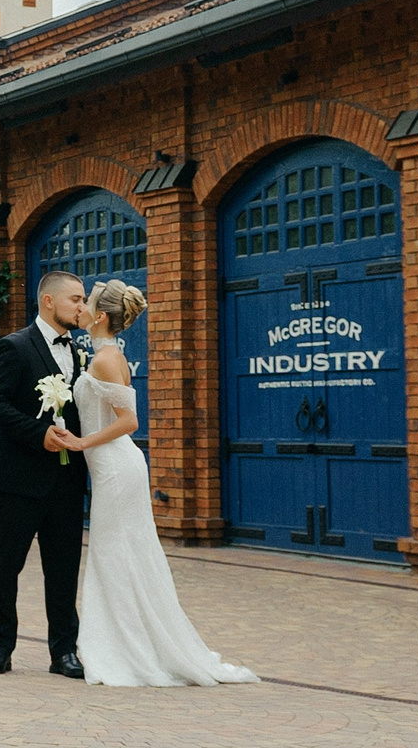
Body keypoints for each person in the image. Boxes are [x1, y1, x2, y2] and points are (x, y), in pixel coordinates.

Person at [68, 280, 259, 687]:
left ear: (100, 317)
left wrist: (82, 441)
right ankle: (128, 641)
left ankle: (128, 650)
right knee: (120, 555)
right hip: (111, 469)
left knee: (115, 555)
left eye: (86, 303)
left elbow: (129, 422)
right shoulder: (107, 354)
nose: (80, 307)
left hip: (117, 469)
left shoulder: (104, 360)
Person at [0, 269, 92, 678]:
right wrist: (38, 432)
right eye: (76, 299)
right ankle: (0, 648)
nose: (82, 307)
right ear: (48, 301)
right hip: (19, 479)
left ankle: (64, 652)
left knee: (62, 571)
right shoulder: (14, 346)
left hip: (66, 481)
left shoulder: (80, 353)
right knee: (6, 567)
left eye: (83, 300)